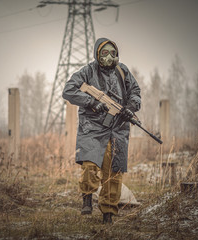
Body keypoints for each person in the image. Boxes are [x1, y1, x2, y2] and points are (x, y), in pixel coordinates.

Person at [62, 37, 141, 224]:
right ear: (98, 54)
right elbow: (69, 90)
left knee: (114, 172)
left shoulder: (123, 71)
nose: (109, 57)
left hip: (118, 128)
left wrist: (130, 106)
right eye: (104, 53)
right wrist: (93, 103)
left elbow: (135, 92)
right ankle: (87, 197)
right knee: (90, 165)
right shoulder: (88, 71)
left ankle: (108, 213)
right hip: (92, 127)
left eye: (113, 53)